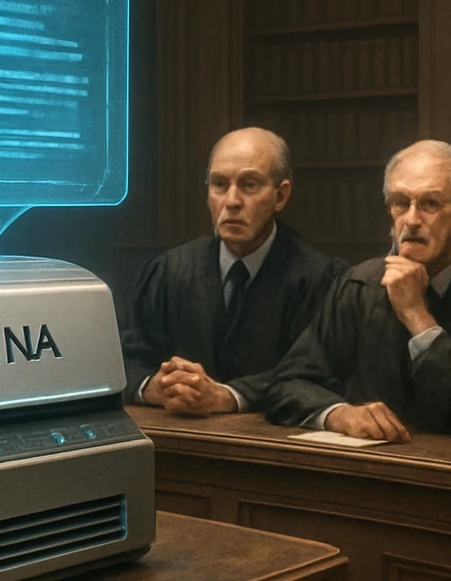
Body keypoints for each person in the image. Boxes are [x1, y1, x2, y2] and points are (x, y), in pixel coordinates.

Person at [265, 140, 451, 439]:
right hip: (374, 461)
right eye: (401, 203)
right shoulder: (361, 283)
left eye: (430, 204)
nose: (412, 220)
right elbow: (287, 383)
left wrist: (418, 317)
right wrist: (338, 414)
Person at [120, 127, 347, 415]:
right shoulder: (168, 271)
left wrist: (229, 396)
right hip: (176, 431)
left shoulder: (321, 278)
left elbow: (317, 372)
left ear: (280, 196)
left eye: (249, 185)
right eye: (219, 184)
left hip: (268, 437)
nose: (231, 201)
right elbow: (128, 357)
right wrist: (158, 386)